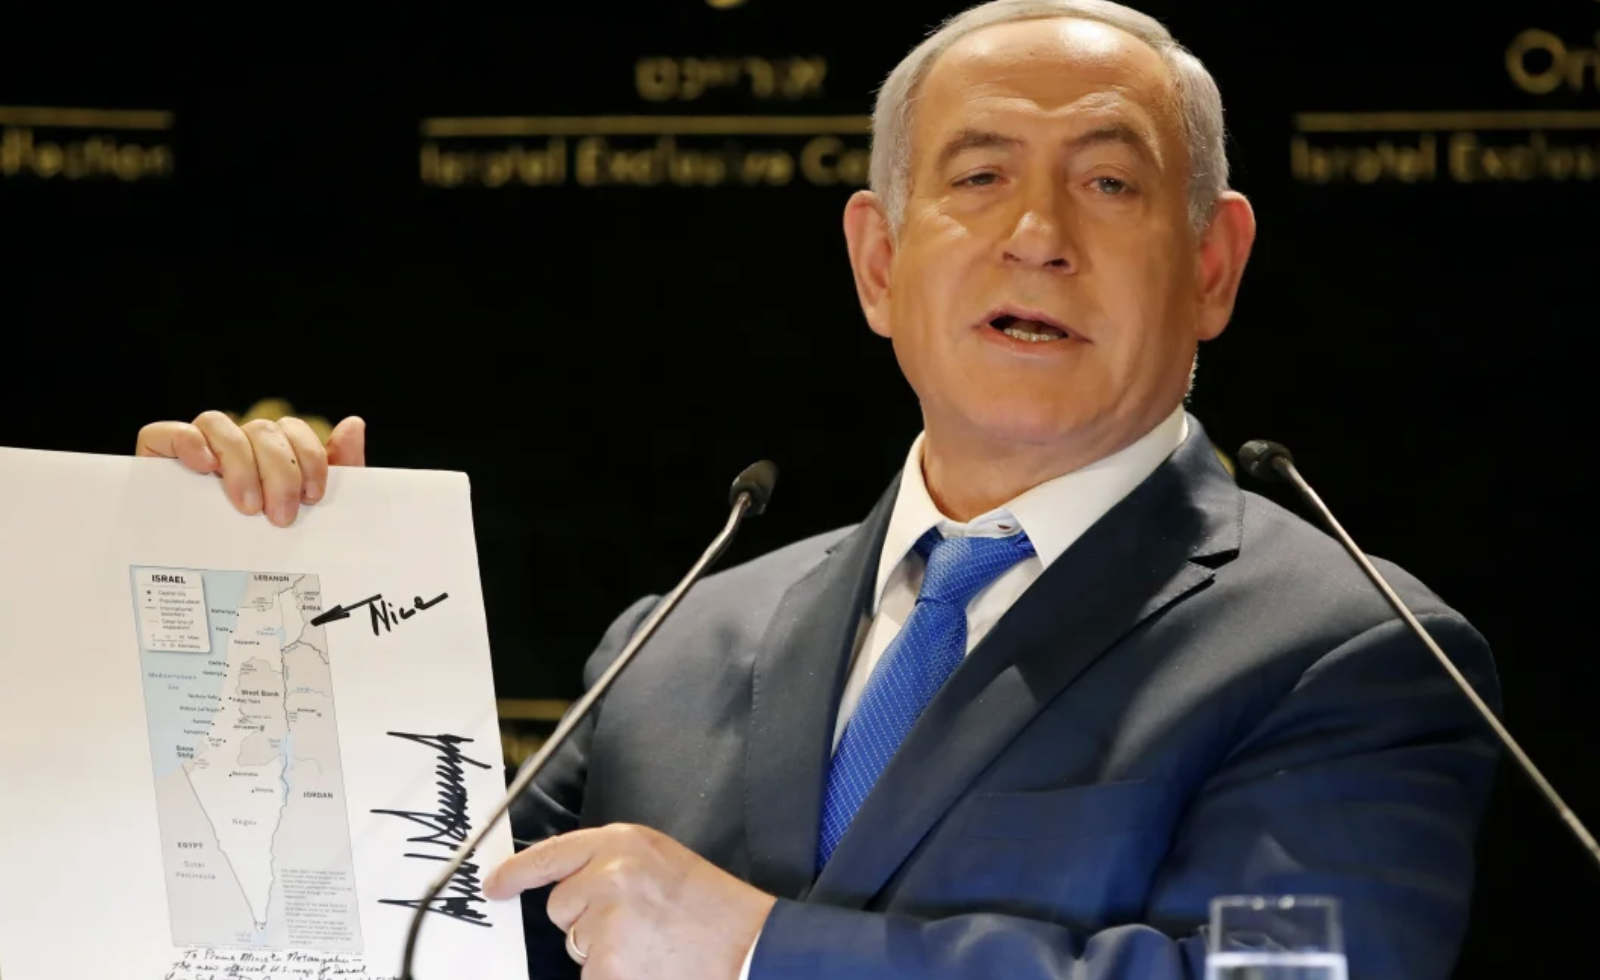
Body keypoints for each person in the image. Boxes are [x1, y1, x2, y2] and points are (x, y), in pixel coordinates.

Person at [135, 2, 1500, 977]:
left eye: (1106, 181)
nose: (1038, 235)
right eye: (980, 176)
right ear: (878, 264)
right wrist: (262, 614)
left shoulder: (1353, 654)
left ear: (1212, 267)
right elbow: (400, 945)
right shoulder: (675, 645)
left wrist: (759, 949)